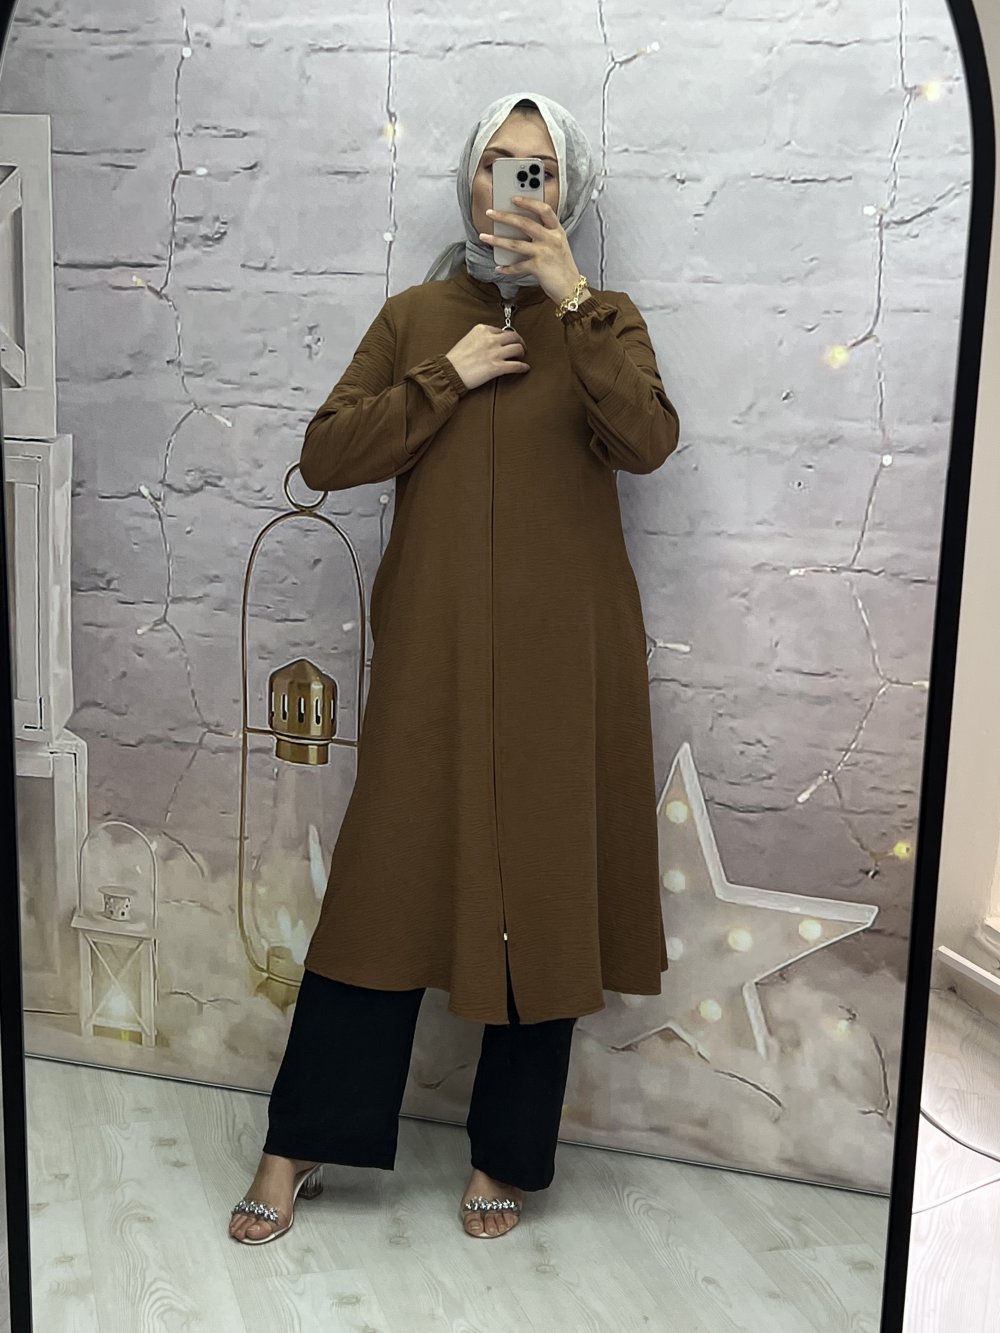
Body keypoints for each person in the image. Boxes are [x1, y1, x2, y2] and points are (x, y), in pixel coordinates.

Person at [228, 91, 680, 1246]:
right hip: (433, 663)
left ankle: (502, 1155)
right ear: (469, 181)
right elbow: (325, 455)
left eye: (540, 167)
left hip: (563, 667)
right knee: (381, 895)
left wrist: (571, 299)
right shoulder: (416, 317)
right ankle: (299, 1141)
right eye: (497, 162)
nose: (515, 185)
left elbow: (647, 440)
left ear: (568, 190)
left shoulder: (603, 321)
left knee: (546, 893)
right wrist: (450, 375)